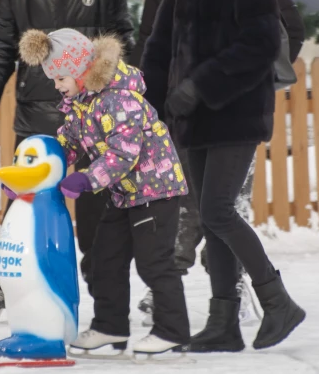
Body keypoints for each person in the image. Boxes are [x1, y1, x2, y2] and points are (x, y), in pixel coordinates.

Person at [140, 0, 306, 352]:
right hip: (190, 116)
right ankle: (224, 324)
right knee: (212, 217)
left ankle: (277, 301)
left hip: (234, 109)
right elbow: (158, 44)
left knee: (216, 210)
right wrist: (152, 102)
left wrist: (200, 85)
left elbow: (258, 43)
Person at [0, 0, 135, 323]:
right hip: (37, 112)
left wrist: (118, 96)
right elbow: (2, 45)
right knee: (26, 201)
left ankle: (104, 299)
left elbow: (123, 41)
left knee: (98, 209)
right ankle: (2, 283)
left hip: (95, 115)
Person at [18, 28, 190, 355]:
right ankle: (110, 326)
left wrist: (87, 179)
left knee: (154, 263)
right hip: (124, 193)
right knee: (104, 260)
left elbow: (124, 152)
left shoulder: (121, 98)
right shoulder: (80, 102)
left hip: (156, 191)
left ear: (81, 68)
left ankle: (173, 330)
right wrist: (37, 171)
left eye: (60, 77)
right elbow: (67, 142)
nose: (57, 85)